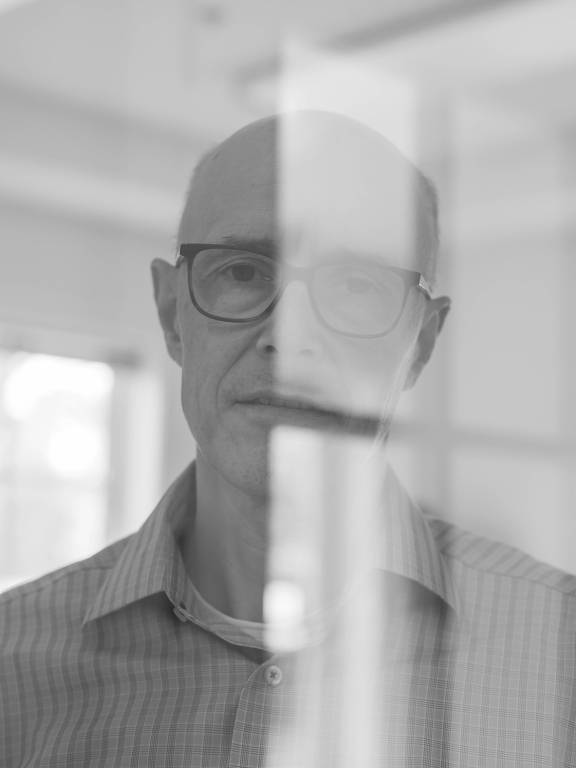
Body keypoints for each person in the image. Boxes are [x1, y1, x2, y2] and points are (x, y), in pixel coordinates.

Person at [1, 111, 575, 767]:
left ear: (419, 344)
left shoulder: (562, 653)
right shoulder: (11, 668)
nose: (292, 338)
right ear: (171, 314)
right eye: (244, 273)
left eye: (356, 284)